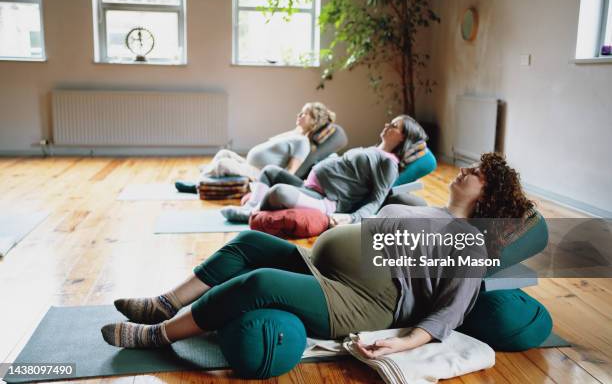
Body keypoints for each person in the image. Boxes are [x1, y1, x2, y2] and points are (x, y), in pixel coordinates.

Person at [101, 153, 534, 359]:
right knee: (251, 245)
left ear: (487, 195)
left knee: (261, 283)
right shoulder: (427, 210)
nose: (470, 168)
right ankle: (165, 302)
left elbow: (451, 310)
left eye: (480, 173)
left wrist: (405, 341)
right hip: (323, 267)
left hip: (362, 301)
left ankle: (161, 335)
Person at [220, 115, 428, 224]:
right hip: (309, 186)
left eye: (394, 125)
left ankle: (252, 214)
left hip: (326, 201)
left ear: (403, 137)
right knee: (270, 172)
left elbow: (377, 199)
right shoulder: (373, 150)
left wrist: (352, 218)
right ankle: (252, 206)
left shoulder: (388, 163)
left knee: (278, 192)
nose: (387, 125)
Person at [175, 102, 336, 193]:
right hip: (251, 164)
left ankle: (197, 186)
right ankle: (203, 179)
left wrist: (266, 185)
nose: (298, 116)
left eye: (303, 114)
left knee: (223, 164)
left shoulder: (303, 143)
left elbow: (290, 173)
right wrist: (298, 129)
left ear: (314, 121)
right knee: (224, 153)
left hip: (258, 173)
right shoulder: (296, 136)